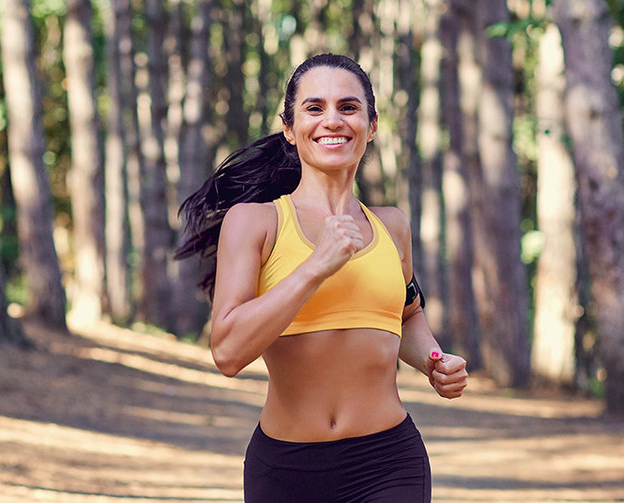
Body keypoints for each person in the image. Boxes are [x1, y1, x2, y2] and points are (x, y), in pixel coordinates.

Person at [176, 53, 468, 502]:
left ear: (371, 126)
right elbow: (228, 352)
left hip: (388, 463)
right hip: (285, 470)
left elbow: (408, 317)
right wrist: (315, 266)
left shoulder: (392, 226)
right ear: (290, 130)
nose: (332, 120)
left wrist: (434, 360)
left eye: (348, 107)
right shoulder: (256, 222)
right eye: (314, 108)